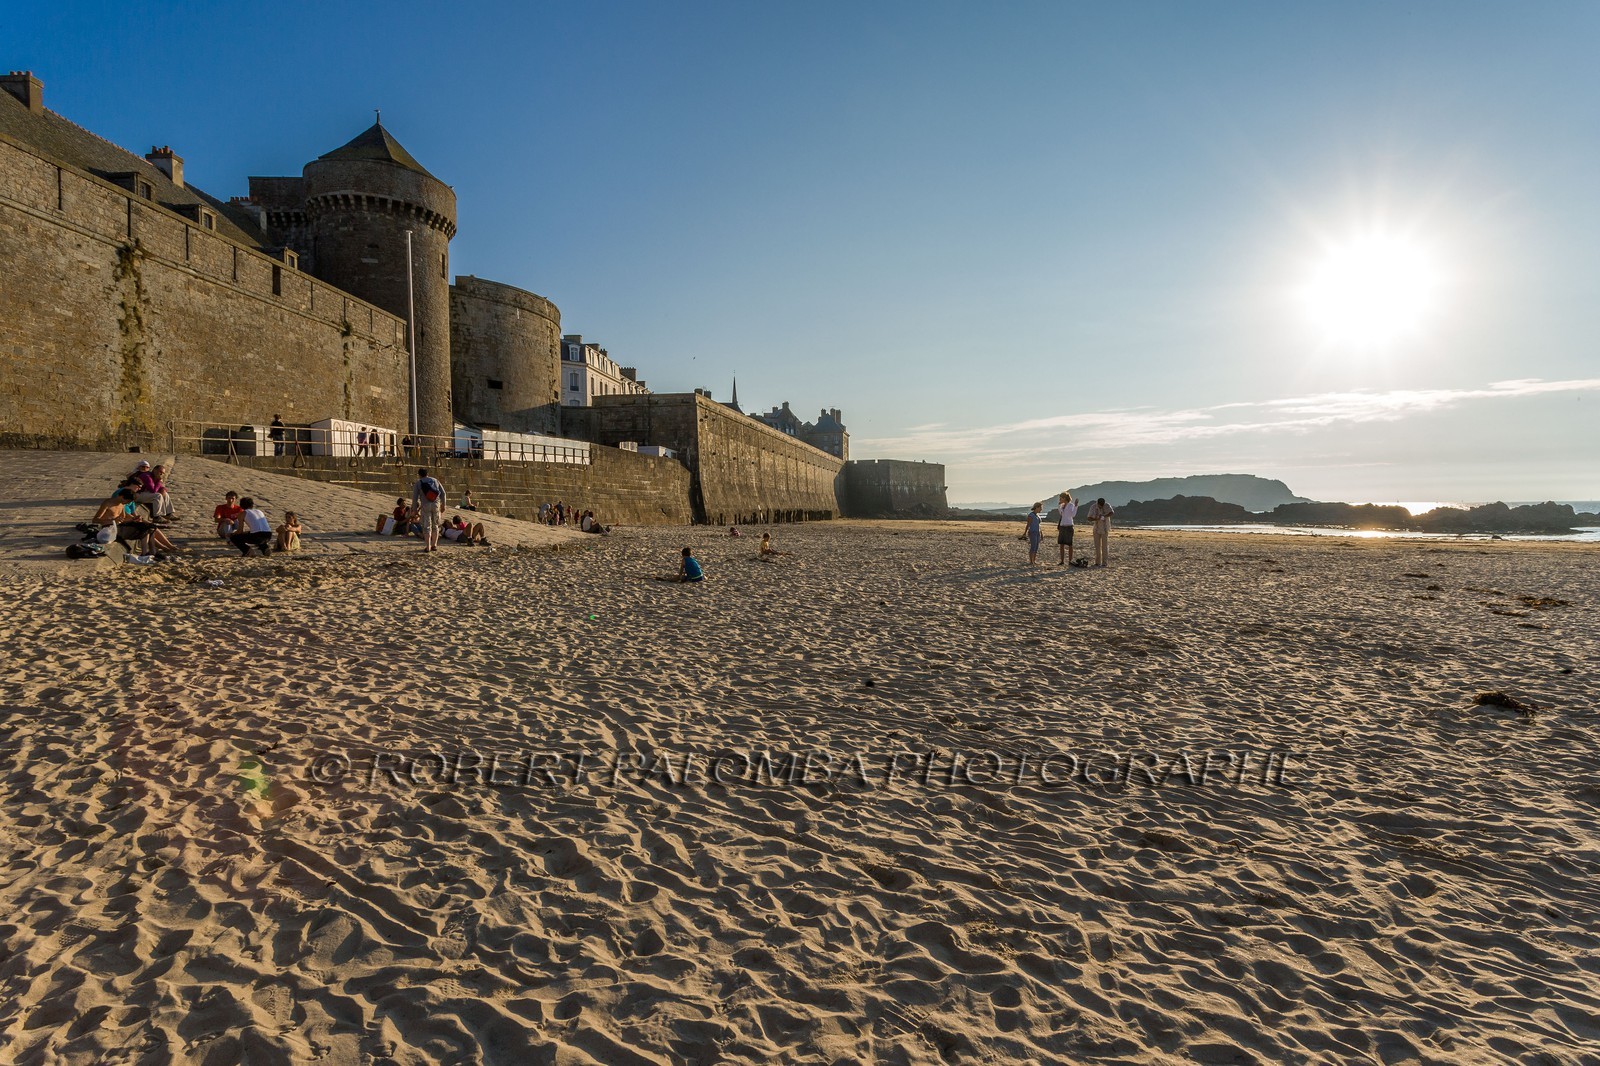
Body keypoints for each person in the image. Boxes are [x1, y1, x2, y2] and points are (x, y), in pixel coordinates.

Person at [94, 488, 179, 555]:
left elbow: (124, 517)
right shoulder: (107, 503)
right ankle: (149, 552)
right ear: (121, 497)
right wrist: (112, 520)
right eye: (127, 501)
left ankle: (153, 551)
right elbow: (95, 520)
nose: (126, 503)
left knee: (150, 526)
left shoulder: (122, 504)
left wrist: (134, 518)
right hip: (110, 528)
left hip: (120, 525)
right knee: (144, 529)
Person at [411, 469, 446, 552]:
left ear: (419, 475)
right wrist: (443, 505)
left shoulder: (418, 483)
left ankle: (428, 547)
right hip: (436, 505)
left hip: (425, 505)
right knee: (435, 525)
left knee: (427, 526)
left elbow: (415, 498)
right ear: (427, 474)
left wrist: (415, 509)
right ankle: (434, 545)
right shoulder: (435, 480)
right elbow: (443, 493)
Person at [1085, 497, 1115, 567]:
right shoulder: (1093, 507)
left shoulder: (1107, 505)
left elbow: (1112, 512)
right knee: (1097, 546)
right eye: (1100, 505)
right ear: (1097, 503)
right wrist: (1096, 518)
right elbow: (1089, 518)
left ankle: (1104, 562)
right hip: (1097, 528)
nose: (1101, 506)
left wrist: (1105, 516)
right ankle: (1097, 562)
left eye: (1102, 505)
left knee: (1105, 546)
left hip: (1105, 528)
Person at [1056, 492, 1077, 567]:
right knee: (1061, 544)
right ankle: (1062, 561)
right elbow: (1061, 514)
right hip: (1062, 526)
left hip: (1068, 526)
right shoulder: (1062, 506)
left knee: (1069, 544)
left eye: (1061, 498)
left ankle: (1070, 560)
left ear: (1064, 498)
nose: (1060, 499)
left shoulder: (1071, 505)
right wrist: (1059, 506)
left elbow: (1072, 514)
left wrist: (1076, 506)